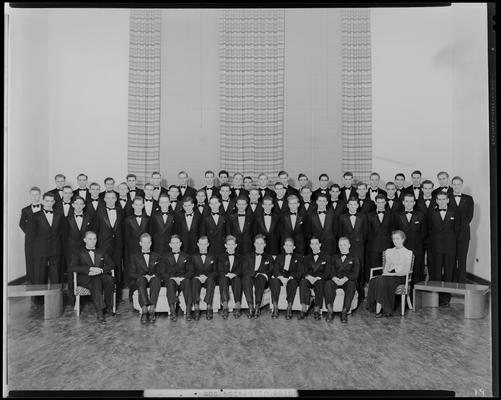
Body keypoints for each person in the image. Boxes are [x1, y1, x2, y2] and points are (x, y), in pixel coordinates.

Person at [69, 231, 115, 322]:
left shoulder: (101, 251)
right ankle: (100, 311)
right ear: (85, 240)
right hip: (85, 278)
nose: (92, 241)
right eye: (90, 239)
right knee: (96, 279)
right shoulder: (78, 252)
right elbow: (72, 267)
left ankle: (108, 307)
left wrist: (101, 270)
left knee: (109, 279)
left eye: (94, 239)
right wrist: (89, 269)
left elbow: (112, 264)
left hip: (100, 275)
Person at [367, 230, 413, 317]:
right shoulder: (389, 251)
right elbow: (386, 267)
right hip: (389, 275)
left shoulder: (408, 252)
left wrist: (390, 274)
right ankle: (381, 310)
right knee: (375, 280)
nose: (395, 241)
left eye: (397, 238)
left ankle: (383, 310)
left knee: (380, 280)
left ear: (403, 239)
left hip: (400, 276)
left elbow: (406, 271)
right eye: (393, 239)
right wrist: (386, 272)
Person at [428, 192, 459, 306]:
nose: (441, 201)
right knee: (436, 273)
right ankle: (436, 297)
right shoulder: (431, 213)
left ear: (448, 200)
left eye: (443, 199)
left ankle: (446, 297)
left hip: (450, 248)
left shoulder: (454, 213)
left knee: (449, 273)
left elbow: (457, 230)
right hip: (436, 247)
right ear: (436, 201)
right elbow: (429, 230)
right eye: (439, 199)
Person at [392, 193, 427, 284]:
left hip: (417, 249)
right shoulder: (397, 215)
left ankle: (416, 296)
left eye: (411, 201)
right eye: (407, 201)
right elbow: (395, 232)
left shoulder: (421, 215)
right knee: (401, 272)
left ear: (414, 203)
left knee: (417, 273)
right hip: (402, 249)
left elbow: (424, 233)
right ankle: (401, 296)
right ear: (403, 202)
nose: (409, 203)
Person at [324, 237, 360, 323]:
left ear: (349, 245)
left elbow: (355, 273)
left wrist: (345, 279)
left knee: (351, 285)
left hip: (347, 280)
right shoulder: (333, 257)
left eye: (344, 245)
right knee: (328, 284)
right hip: (335, 279)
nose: (342, 247)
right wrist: (334, 278)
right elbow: (330, 271)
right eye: (340, 245)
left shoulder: (355, 258)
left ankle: (344, 311)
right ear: (338, 246)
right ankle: (330, 311)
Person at [95, 191, 124, 292]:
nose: (111, 200)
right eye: (108, 198)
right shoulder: (99, 211)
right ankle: (105, 293)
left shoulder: (121, 211)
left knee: (117, 268)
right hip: (103, 245)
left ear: (116, 199)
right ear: (104, 199)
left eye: (113, 198)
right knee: (104, 268)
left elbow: (122, 229)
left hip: (117, 245)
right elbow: (96, 229)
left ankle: (117, 293)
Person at [159, 235, 193, 321]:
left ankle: (188, 311)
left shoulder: (187, 256)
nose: (175, 245)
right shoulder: (165, 257)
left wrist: (182, 278)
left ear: (180, 244)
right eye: (173, 243)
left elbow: (190, 271)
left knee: (187, 282)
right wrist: (173, 278)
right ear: (170, 245)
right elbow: (162, 272)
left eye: (177, 243)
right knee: (170, 283)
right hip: (171, 280)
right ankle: (173, 311)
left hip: (183, 280)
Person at [32, 192, 64, 285]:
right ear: (43, 201)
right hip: (41, 249)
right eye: (47, 201)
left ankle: (56, 298)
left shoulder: (59, 215)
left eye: (51, 201)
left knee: (56, 275)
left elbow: (62, 231)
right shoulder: (35, 216)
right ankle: (38, 298)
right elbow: (33, 234)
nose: (49, 203)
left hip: (55, 248)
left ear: (54, 202)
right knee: (39, 275)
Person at [338, 197, 367, 298]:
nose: (353, 206)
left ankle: (360, 294)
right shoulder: (342, 217)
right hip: (346, 248)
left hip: (359, 247)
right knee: (347, 268)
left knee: (359, 269)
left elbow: (365, 232)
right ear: (347, 206)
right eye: (351, 204)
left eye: (355, 204)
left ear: (358, 205)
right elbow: (340, 233)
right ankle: (348, 292)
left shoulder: (363, 216)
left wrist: (360, 242)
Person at [130, 233, 161, 324]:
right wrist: (143, 276)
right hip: (140, 280)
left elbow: (160, 271)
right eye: (144, 242)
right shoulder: (134, 257)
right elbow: (131, 273)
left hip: (153, 279)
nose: (146, 245)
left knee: (156, 280)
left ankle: (151, 310)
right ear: (140, 243)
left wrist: (153, 275)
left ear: (151, 243)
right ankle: (144, 310)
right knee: (141, 280)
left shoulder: (157, 256)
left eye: (148, 242)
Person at [62, 196, 94, 286]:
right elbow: (64, 236)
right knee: (72, 271)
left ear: (84, 205)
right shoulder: (67, 218)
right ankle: (72, 292)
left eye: (81, 204)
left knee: (87, 269)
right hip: (71, 249)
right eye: (76, 203)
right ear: (72, 205)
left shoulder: (90, 217)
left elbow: (92, 233)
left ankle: (87, 293)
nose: (79, 206)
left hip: (86, 248)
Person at [123, 197, 150, 300]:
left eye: (140, 204)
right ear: (133, 206)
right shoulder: (128, 220)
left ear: (143, 206)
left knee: (144, 270)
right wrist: (133, 251)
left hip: (145, 249)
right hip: (132, 250)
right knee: (133, 272)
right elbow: (126, 237)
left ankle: (144, 295)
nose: (138, 207)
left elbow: (149, 234)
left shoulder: (147, 219)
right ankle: (132, 294)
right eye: (136, 204)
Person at [269, 238, 303, 319]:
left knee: (293, 282)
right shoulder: (279, 257)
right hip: (281, 278)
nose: (288, 247)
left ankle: (289, 308)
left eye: (290, 245)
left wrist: (291, 277)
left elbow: (300, 272)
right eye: (286, 245)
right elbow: (275, 270)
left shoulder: (299, 257)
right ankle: (275, 307)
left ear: (294, 247)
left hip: (292, 278)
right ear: (284, 247)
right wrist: (281, 277)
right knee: (274, 281)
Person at [242, 234, 274, 318]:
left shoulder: (269, 257)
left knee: (261, 277)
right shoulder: (248, 256)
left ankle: (257, 307)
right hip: (250, 277)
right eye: (257, 243)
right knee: (246, 278)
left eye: (261, 243)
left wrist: (262, 274)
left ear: (265, 245)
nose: (259, 245)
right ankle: (250, 307)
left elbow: (271, 270)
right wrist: (255, 273)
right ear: (254, 244)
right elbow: (244, 269)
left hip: (262, 279)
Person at [449, 176, 474, 284]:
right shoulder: (447, 197)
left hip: (464, 233)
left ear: (462, 185)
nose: (456, 186)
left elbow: (469, 217)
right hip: (450, 233)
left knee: (462, 259)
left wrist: (461, 227)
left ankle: (462, 281)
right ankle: (453, 281)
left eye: (458, 184)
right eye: (454, 184)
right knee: (451, 259)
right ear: (452, 185)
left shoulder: (468, 199)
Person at [298, 237, 330, 320]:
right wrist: (308, 277)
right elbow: (302, 271)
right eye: (312, 244)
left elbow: (327, 273)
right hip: (309, 278)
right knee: (303, 282)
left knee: (320, 283)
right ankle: (304, 309)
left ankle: (317, 309)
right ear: (310, 246)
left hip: (319, 279)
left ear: (320, 245)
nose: (314, 246)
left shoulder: (326, 257)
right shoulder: (306, 258)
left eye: (316, 243)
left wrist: (318, 278)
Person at [217, 235, 245, 319]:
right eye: (228, 244)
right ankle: (225, 306)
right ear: (225, 245)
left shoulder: (241, 257)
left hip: (235, 276)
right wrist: (227, 274)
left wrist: (235, 274)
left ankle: (237, 306)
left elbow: (242, 270)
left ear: (235, 245)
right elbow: (219, 269)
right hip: (225, 276)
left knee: (237, 279)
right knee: (223, 279)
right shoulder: (221, 257)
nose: (231, 246)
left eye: (232, 244)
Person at [19, 186, 42, 284]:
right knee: (29, 259)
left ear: (40, 195)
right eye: (32, 195)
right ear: (30, 196)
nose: (34, 197)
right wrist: (29, 233)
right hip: (30, 240)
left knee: (41, 261)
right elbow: (21, 223)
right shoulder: (25, 210)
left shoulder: (45, 208)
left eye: (36, 194)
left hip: (43, 240)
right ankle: (31, 281)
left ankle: (41, 281)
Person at [191, 236, 217, 320]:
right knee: (194, 281)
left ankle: (209, 307)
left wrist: (207, 276)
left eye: (205, 244)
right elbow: (190, 271)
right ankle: (196, 307)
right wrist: (199, 276)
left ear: (208, 245)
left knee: (211, 280)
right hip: (197, 278)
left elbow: (216, 271)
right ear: (198, 244)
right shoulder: (193, 257)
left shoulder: (213, 256)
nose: (203, 246)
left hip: (208, 279)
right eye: (201, 244)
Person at [365, 195, 393, 274]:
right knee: (374, 269)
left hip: (387, 246)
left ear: (385, 203)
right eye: (378, 202)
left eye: (382, 202)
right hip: (373, 247)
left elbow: (393, 230)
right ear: (375, 203)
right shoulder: (369, 215)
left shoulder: (391, 215)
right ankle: (374, 285)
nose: (380, 204)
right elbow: (367, 232)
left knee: (386, 269)